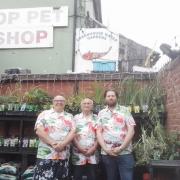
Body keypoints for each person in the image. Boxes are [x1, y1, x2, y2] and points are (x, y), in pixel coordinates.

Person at [33, 95, 76, 180]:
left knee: (61, 177)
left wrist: (62, 144)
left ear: (65, 103)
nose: (59, 102)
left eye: (62, 101)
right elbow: (39, 130)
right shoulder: (44, 114)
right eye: (57, 100)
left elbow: (73, 132)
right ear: (53, 102)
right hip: (46, 154)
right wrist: (53, 143)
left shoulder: (70, 116)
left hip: (63, 155)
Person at [97, 90, 136, 180]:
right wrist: (106, 149)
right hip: (107, 153)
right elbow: (98, 132)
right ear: (105, 98)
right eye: (108, 96)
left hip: (125, 152)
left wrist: (121, 148)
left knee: (127, 178)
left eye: (113, 96)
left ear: (116, 97)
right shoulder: (101, 113)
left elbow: (131, 130)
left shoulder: (125, 110)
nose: (111, 97)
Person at [72, 98, 99, 180]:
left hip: (93, 152)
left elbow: (100, 134)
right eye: (84, 103)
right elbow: (72, 134)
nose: (86, 105)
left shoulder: (97, 118)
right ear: (81, 106)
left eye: (88, 103)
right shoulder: (75, 118)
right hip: (78, 151)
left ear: (92, 106)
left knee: (92, 176)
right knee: (77, 176)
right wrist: (80, 148)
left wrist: (94, 148)